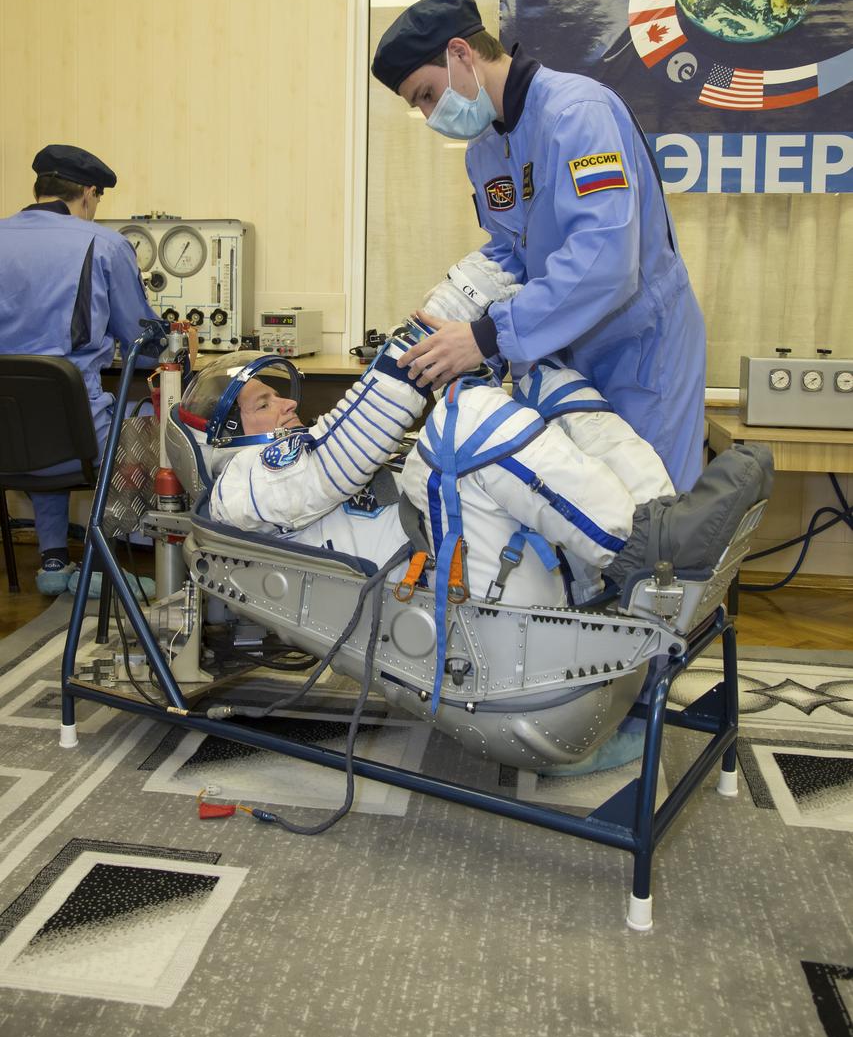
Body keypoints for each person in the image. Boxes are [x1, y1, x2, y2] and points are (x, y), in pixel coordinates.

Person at [171, 327, 771, 773]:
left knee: (545, 378)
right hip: (488, 653)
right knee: (463, 418)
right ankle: (645, 549)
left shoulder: (291, 469)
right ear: (224, 439)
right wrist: (425, 355)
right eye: (264, 404)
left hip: (515, 610)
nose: (287, 405)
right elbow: (335, 460)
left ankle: (662, 543)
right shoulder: (241, 484)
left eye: (279, 397)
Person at [370, 0, 707, 493]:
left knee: (656, 511)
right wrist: (457, 303)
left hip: (640, 350)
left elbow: (605, 258)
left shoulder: (577, 113)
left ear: (460, 53)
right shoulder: (485, 150)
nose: (429, 114)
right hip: (563, 351)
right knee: (588, 516)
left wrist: (486, 336)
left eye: (427, 94)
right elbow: (513, 252)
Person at [0, 144, 161, 594]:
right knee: (152, 419)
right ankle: (106, 560)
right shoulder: (105, 244)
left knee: (37, 414)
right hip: (77, 439)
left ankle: (53, 562)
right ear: (89, 193)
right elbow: (143, 346)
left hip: (7, 435)